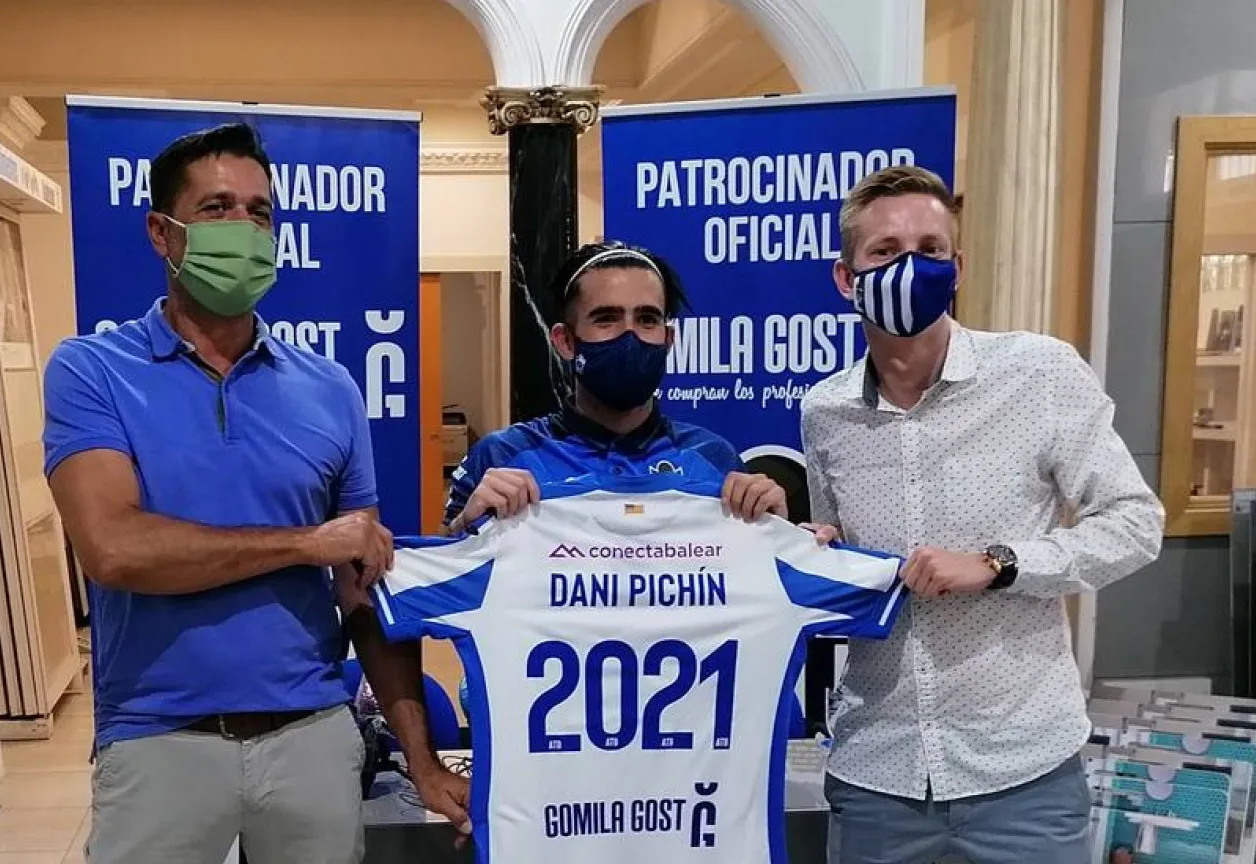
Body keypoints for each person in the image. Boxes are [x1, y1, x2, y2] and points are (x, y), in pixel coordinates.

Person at [42, 122, 467, 864]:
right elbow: (114, 549)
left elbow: (363, 589)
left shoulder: (330, 388)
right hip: (157, 740)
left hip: (312, 737)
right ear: (162, 233)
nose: (243, 229)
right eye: (216, 209)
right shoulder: (92, 371)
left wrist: (423, 763)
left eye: (259, 212)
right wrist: (306, 543)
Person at [800, 165, 1164, 864]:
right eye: (885, 251)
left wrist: (1001, 564)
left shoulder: (1039, 373)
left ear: (956, 268)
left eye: (930, 250)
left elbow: (1135, 521)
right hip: (878, 774)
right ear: (846, 278)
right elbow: (842, 545)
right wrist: (821, 552)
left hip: (1023, 776)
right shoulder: (826, 412)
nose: (910, 266)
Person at [444, 240, 788, 532]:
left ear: (668, 340)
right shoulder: (502, 456)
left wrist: (783, 535)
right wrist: (464, 528)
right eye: (606, 319)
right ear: (565, 341)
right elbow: (440, 575)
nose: (630, 335)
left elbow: (756, 576)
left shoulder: (713, 457)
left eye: (647, 319)